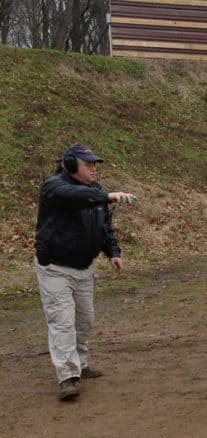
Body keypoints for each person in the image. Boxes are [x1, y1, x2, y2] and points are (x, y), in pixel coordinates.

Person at [34, 143, 137, 401]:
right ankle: (67, 376)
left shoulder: (95, 193)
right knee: (63, 322)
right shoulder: (54, 187)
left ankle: (80, 363)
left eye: (94, 165)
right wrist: (106, 196)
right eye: (87, 164)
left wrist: (112, 252)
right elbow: (74, 196)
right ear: (70, 166)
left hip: (84, 268)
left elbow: (104, 227)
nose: (93, 169)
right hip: (55, 268)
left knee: (84, 320)